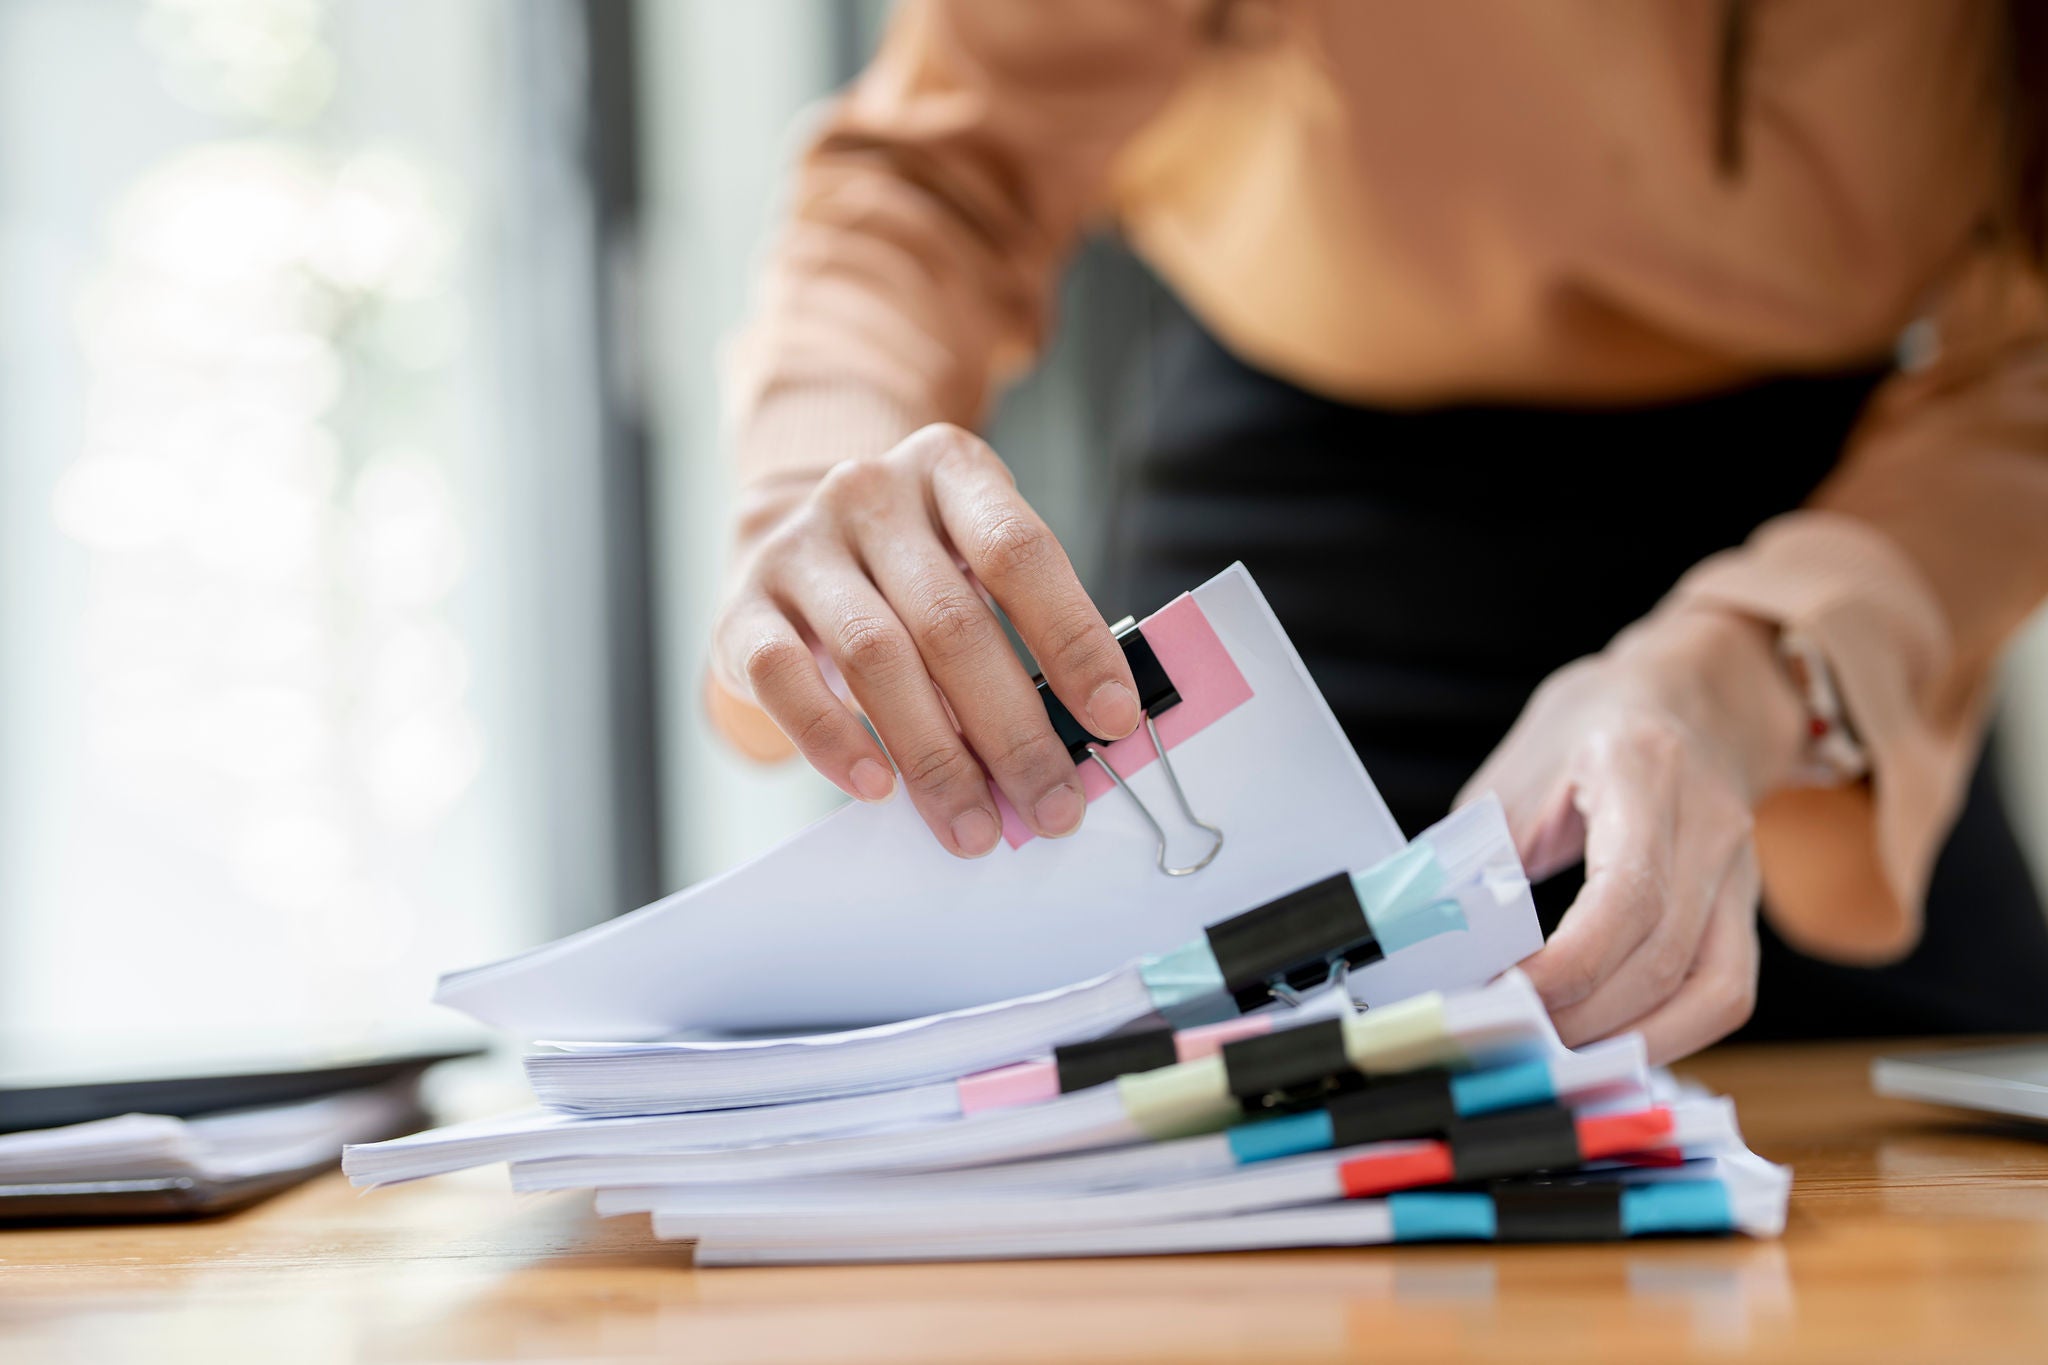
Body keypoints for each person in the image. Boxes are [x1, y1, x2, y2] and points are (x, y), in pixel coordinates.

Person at [703, 0, 2048, 1062]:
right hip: (1285, 569)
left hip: (1834, 585)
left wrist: (1763, 675)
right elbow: (941, 169)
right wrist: (816, 480)